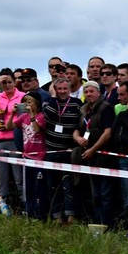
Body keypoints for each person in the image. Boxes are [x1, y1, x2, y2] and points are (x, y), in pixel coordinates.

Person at [73, 81, 116, 224]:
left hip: (103, 155)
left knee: (105, 193)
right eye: (86, 92)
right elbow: (76, 130)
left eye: (92, 91)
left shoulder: (106, 108)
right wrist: (78, 138)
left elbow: (108, 133)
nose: (89, 94)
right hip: (88, 156)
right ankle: (97, 221)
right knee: (94, 192)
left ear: (98, 92)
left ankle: (107, 223)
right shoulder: (84, 110)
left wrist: (93, 149)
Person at [42, 78, 83, 224]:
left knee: (69, 185)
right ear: (55, 89)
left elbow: (81, 124)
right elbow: (49, 116)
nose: (62, 91)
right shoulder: (49, 103)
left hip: (68, 150)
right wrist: (53, 97)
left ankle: (71, 215)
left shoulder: (77, 104)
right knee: (53, 185)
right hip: (51, 150)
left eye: (65, 88)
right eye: (59, 89)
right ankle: (57, 216)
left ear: (70, 89)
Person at [0, 68, 25, 213]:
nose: (7, 85)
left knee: (18, 176)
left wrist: (10, 126)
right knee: (1, 176)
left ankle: (24, 204)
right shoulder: (0, 96)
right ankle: (2, 204)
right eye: (4, 83)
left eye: (9, 82)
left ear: (14, 82)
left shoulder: (21, 96)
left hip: (14, 139)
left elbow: (23, 118)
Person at [6, 91, 47, 219]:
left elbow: (36, 129)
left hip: (39, 157)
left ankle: (40, 214)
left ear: (37, 104)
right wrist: (12, 114)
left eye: (30, 102)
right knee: (28, 188)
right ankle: (30, 213)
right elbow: (9, 126)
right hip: (27, 157)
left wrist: (32, 115)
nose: (27, 104)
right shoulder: (23, 117)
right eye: (25, 102)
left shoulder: (41, 116)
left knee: (38, 187)